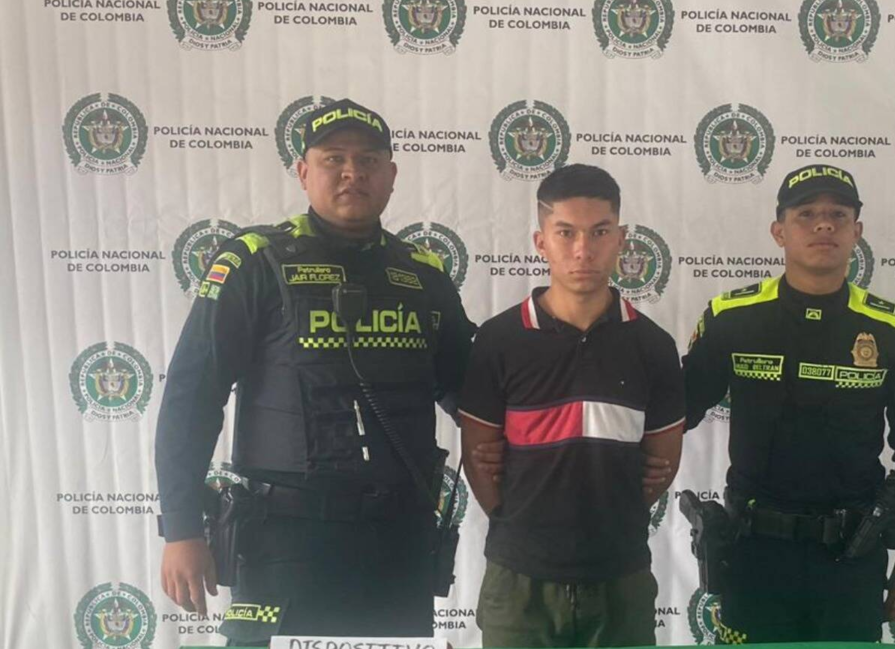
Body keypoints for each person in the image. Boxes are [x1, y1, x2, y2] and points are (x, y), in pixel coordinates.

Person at [154, 99, 474, 645]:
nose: (353, 173)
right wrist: (181, 528)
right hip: (281, 540)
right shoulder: (255, 260)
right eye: (334, 159)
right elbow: (192, 397)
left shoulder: (424, 274)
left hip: (398, 538)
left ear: (391, 175)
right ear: (304, 172)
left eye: (368, 160)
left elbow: (471, 392)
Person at [682, 164, 895, 643]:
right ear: (778, 231)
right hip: (753, 554)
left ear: (856, 232)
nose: (824, 224)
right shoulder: (731, 321)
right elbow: (671, 415)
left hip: (852, 561)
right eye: (806, 214)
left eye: (838, 215)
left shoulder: (894, 332)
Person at [458, 164, 685, 647]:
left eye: (600, 232)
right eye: (566, 233)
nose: (583, 250)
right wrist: (527, 530)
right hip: (518, 583)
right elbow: (479, 461)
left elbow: (661, 466)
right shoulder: (497, 341)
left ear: (621, 238)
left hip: (621, 579)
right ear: (541, 242)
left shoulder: (654, 346)